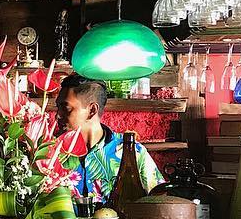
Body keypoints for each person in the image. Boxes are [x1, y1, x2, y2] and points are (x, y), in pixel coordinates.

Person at [56, 73, 163, 201]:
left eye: (66, 108)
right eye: (58, 108)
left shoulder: (133, 151)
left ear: (92, 110)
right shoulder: (51, 153)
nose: (57, 115)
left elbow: (159, 201)